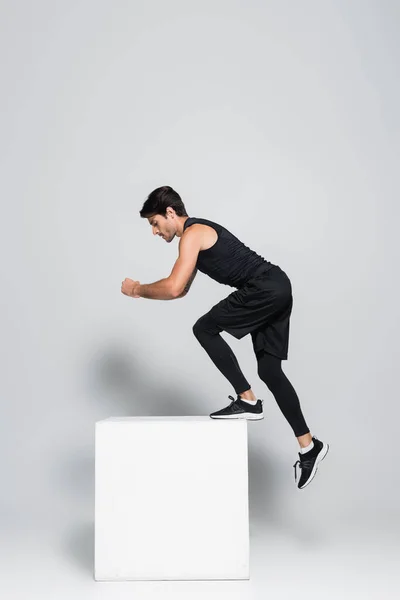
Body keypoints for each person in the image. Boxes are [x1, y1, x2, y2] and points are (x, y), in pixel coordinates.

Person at [121, 186, 329, 489]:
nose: (154, 231)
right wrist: (149, 290)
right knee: (269, 371)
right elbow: (181, 288)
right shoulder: (195, 237)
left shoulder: (193, 234)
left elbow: (174, 287)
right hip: (278, 286)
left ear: (169, 212)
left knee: (203, 328)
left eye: (154, 223)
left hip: (264, 288)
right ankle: (310, 447)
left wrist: (137, 289)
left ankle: (247, 400)